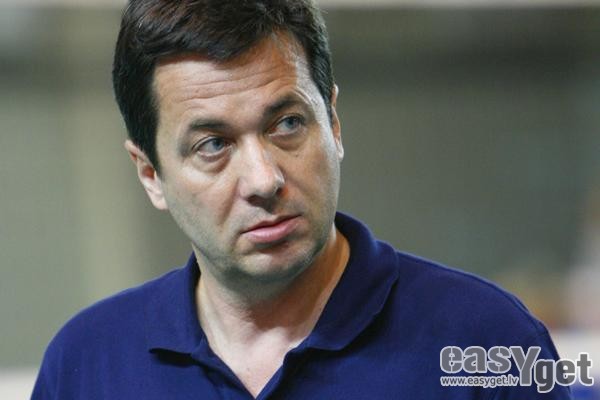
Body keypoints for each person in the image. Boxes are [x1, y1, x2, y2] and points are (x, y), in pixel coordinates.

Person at [32, 1, 572, 399]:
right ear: (151, 174)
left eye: (287, 124)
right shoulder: (86, 366)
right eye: (213, 145)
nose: (263, 179)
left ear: (333, 123)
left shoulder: (487, 342)